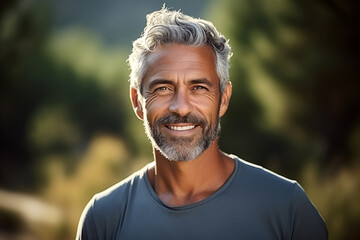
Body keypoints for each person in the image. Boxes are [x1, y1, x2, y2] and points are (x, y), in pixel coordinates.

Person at [76, 7, 328, 240]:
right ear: (137, 101)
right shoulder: (103, 218)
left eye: (198, 88)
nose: (181, 107)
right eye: (163, 88)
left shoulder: (287, 208)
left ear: (224, 99)